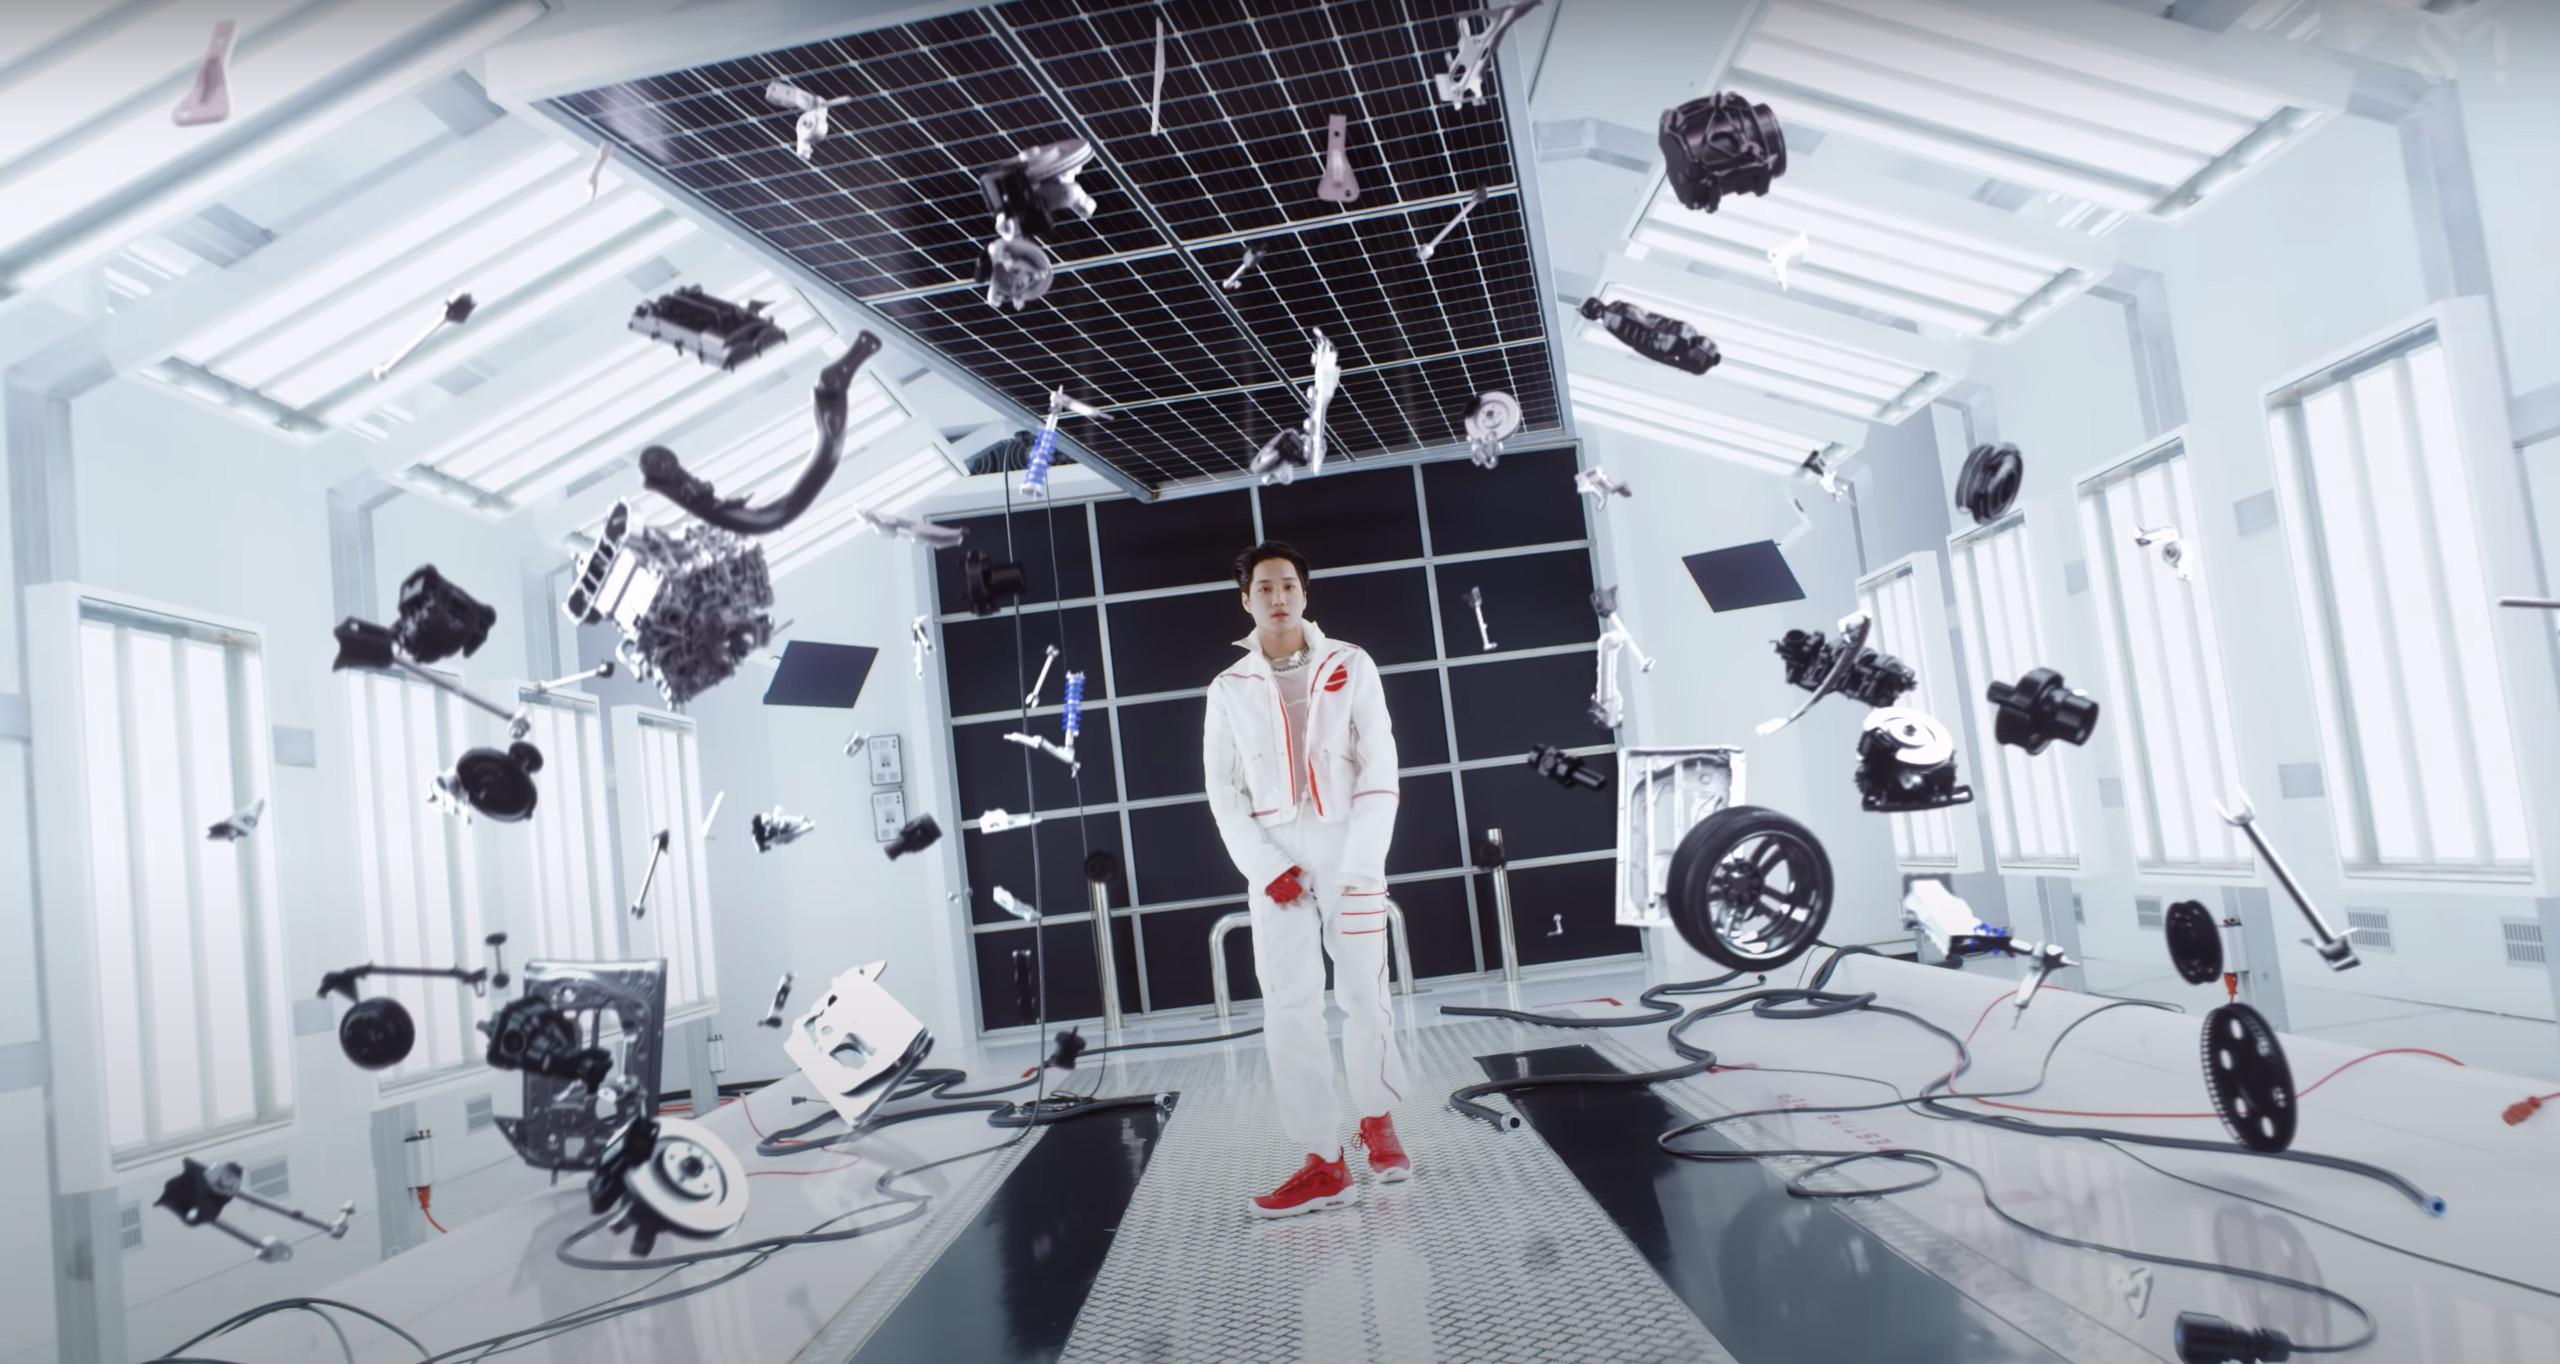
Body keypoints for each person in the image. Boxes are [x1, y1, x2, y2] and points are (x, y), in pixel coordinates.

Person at [1203, 541, 1414, 1218]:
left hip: (1348, 844)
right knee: (1289, 1007)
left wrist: (1364, 861)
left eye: (1288, 584)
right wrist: (1266, 868)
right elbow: (1223, 792)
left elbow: (1380, 764)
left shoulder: (1351, 663)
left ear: (1304, 592)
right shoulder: (1228, 688)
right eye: (1264, 587)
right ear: (1246, 600)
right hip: (1276, 854)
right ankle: (1324, 1159)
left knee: (1365, 995)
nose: (1278, 597)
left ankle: (1377, 1121)